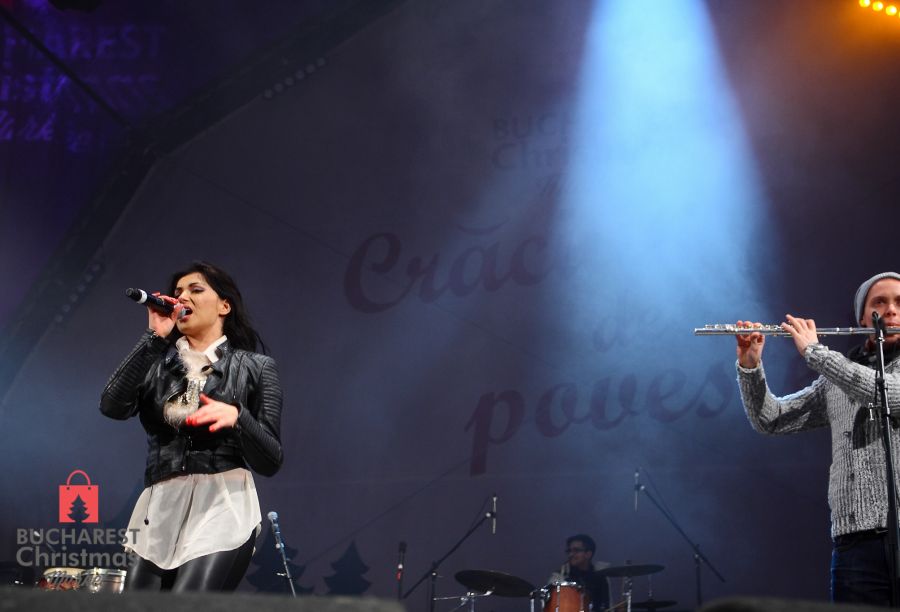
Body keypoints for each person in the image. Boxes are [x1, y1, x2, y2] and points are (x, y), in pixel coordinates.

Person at [100, 261, 284, 592]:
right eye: (178, 292)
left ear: (224, 306)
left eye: (196, 290)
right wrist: (154, 337)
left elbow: (271, 459)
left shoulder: (256, 367)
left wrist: (238, 417)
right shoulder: (158, 365)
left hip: (221, 502)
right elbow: (112, 406)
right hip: (160, 505)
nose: (183, 297)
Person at [735, 271, 900, 606]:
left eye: (899, 302)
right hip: (854, 546)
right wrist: (751, 368)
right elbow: (771, 419)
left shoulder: (834, 367)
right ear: (863, 318)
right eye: (880, 303)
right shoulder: (836, 379)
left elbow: (886, 393)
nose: (891, 310)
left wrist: (815, 352)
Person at [549, 534, 611, 611]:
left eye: (576, 550)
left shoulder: (600, 577)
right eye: (569, 551)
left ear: (588, 554)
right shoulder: (560, 577)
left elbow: (608, 606)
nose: (571, 554)